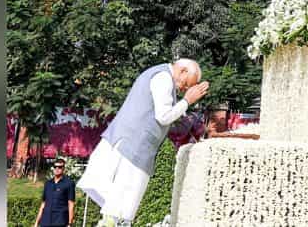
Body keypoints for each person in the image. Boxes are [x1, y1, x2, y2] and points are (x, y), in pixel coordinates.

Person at [78, 58, 209, 227]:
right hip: (131, 151)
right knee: (117, 213)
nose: (185, 89)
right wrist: (187, 101)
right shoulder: (163, 78)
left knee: (117, 213)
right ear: (182, 71)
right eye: (187, 84)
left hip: (132, 149)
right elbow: (163, 116)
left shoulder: (161, 76)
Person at [32, 159, 75, 227]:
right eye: (55, 167)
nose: (57, 169)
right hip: (45, 221)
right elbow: (43, 203)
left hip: (60, 221)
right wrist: (37, 222)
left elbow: (71, 204)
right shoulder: (48, 184)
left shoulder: (69, 183)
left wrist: (70, 223)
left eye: (60, 167)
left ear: (63, 168)